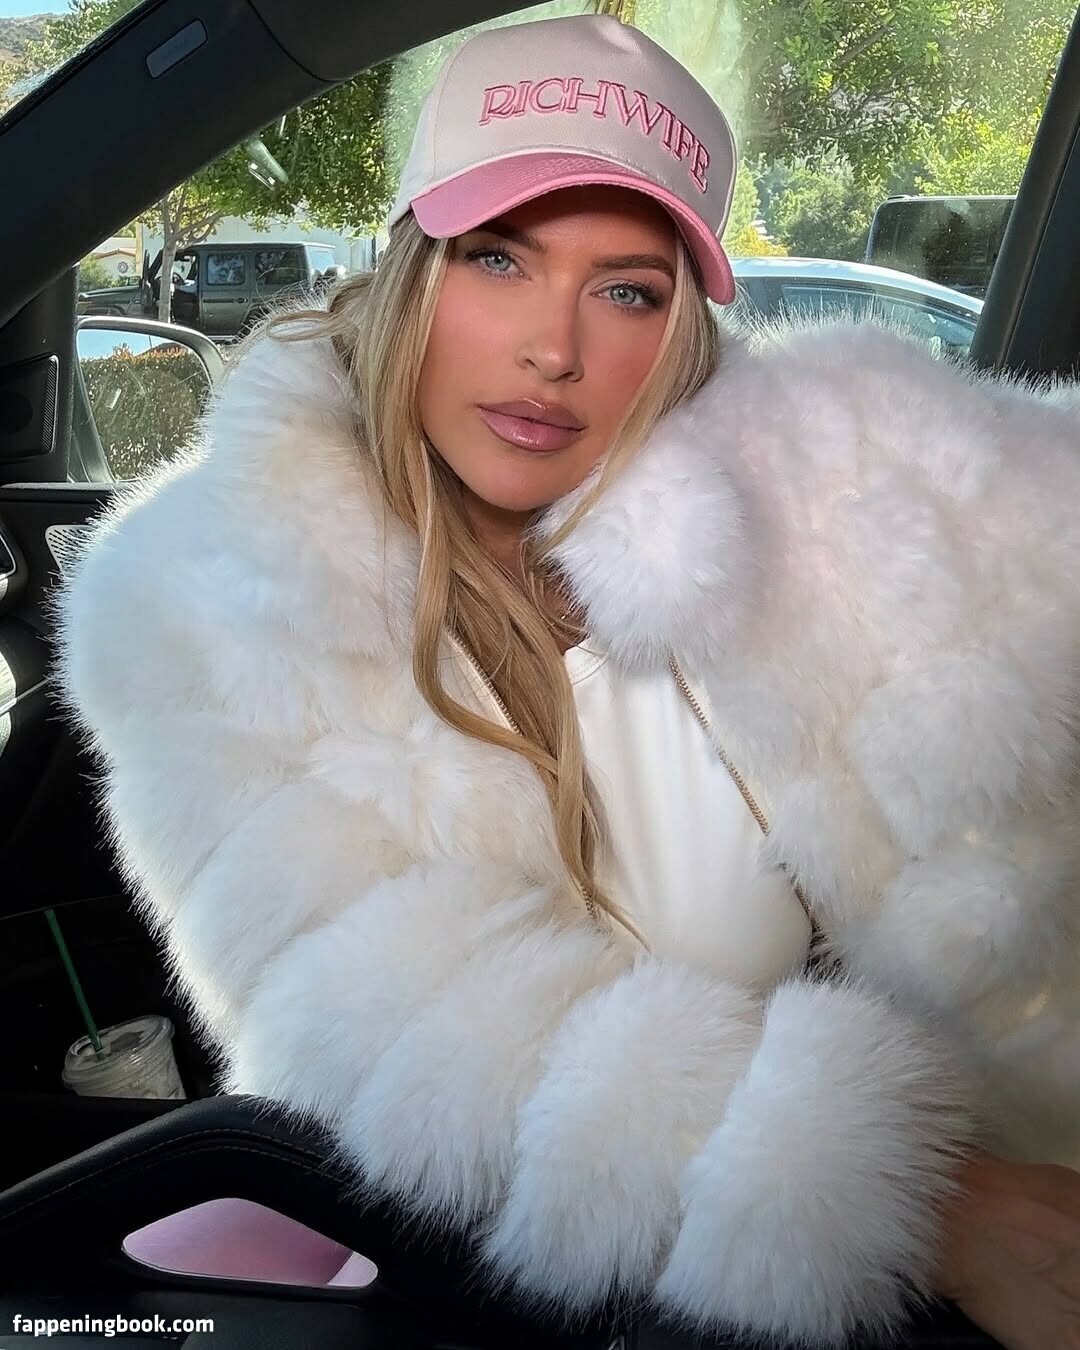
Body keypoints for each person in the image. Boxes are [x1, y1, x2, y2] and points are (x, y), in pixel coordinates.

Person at [55, 12, 1080, 1349]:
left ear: (685, 324)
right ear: (413, 265)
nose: (554, 348)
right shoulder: (208, 594)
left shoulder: (796, 475)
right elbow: (410, 1029)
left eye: (628, 290)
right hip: (527, 1300)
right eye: (500, 256)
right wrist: (930, 1198)